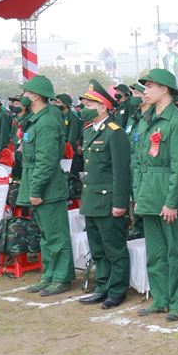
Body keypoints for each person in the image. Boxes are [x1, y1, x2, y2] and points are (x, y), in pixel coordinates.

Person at [135, 69, 178, 322]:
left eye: (150, 86)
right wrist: (138, 195)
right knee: (156, 252)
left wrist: (171, 201)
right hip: (149, 194)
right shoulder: (145, 120)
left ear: (164, 90)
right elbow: (138, 162)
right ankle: (160, 299)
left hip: (170, 197)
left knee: (176, 252)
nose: (145, 91)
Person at [77, 80, 132, 309]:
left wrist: (120, 203)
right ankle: (102, 287)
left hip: (109, 201)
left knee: (114, 249)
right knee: (98, 249)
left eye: (89, 103)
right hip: (91, 200)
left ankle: (117, 290)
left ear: (102, 106)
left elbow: (121, 172)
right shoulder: (89, 131)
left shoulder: (114, 133)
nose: (84, 107)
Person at [19, 76, 74, 297]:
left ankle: (61, 277)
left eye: (26, 91)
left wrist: (36, 190)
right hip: (39, 181)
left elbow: (47, 160)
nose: (23, 94)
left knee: (56, 235)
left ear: (34, 95)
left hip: (47, 186)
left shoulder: (47, 121)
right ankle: (49, 274)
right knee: (46, 234)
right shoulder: (38, 117)